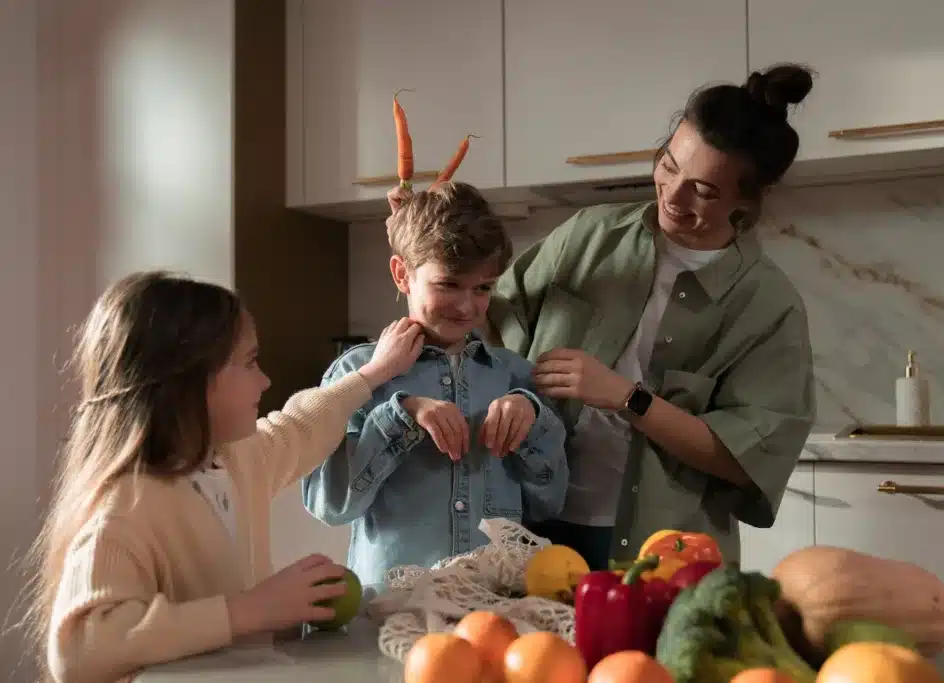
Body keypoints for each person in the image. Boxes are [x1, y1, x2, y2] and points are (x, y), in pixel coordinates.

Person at [484, 64, 818, 570]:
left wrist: (626, 396)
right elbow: (486, 318)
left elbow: (745, 458)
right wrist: (425, 248)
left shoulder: (768, 304)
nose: (672, 195)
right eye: (669, 163)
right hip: (529, 522)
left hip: (662, 551)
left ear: (748, 203)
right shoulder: (587, 236)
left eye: (704, 191)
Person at [25, 271, 423, 683]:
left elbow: (298, 429)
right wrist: (252, 610)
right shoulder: (125, 508)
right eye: (250, 362)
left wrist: (373, 374)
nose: (265, 380)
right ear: (189, 381)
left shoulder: (234, 460)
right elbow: (80, 651)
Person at [302, 181, 568, 590]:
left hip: (497, 603)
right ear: (401, 275)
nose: (467, 306)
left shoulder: (515, 377)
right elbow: (330, 505)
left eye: (482, 288)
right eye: (448, 284)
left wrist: (532, 419)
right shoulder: (359, 373)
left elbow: (549, 502)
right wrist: (400, 416)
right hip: (392, 605)